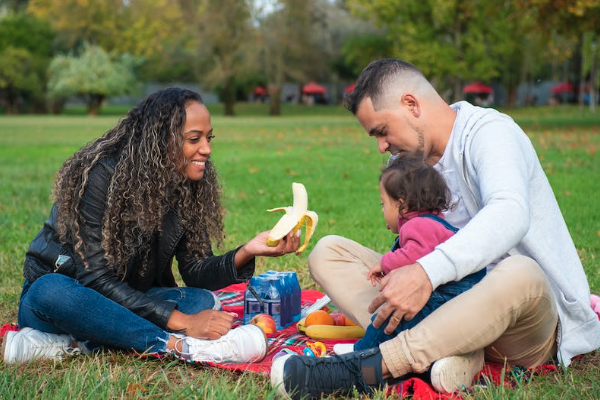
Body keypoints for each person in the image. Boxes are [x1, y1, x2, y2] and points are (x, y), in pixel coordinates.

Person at [271, 59, 600, 399]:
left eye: (382, 131)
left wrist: (426, 273)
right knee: (329, 252)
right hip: (444, 308)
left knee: (520, 272)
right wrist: (401, 268)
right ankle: (452, 355)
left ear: (411, 104)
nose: (381, 146)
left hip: (523, 323)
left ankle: (364, 369)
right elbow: (413, 244)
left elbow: (511, 212)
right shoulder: (405, 166)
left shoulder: (489, 133)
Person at [2, 87, 301, 365]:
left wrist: (247, 251)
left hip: (126, 300)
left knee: (201, 301)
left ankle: (73, 345)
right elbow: (94, 279)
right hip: (66, 300)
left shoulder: (185, 183)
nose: (207, 149)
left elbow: (194, 271)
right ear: (161, 138)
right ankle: (181, 347)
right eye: (194, 139)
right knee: (49, 289)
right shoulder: (100, 175)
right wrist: (184, 325)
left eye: (209, 138)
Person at [336, 153, 485, 354]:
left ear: (402, 205)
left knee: (388, 319)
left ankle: (361, 352)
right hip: (455, 295)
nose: (381, 211)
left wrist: (385, 263)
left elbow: (416, 255)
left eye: (383, 204)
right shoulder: (432, 222)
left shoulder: (417, 225)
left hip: (449, 295)